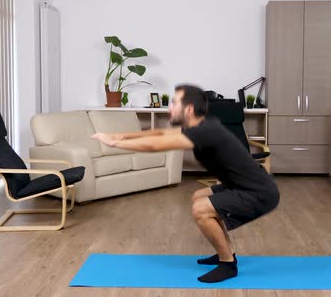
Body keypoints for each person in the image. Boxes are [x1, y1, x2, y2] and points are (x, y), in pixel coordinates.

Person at [91, 84, 280, 283]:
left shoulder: (205, 131)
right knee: (199, 197)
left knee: (201, 209)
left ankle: (227, 265)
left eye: (174, 103)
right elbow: (160, 134)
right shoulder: (198, 126)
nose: (170, 107)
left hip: (259, 192)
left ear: (188, 109)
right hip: (242, 185)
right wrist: (120, 136)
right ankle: (227, 251)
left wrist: (115, 144)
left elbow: (154, 145)